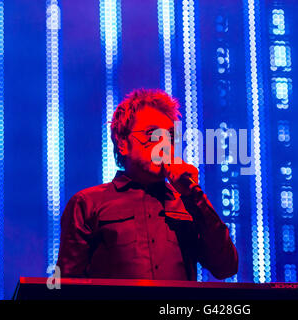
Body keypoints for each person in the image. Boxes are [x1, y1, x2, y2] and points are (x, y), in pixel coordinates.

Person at [56, 88, 238, 281]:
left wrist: (194, 194)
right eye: (152, 134)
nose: (164, 144)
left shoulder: (188, 203)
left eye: (170, 136)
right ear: (123, 143)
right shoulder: (87, 203)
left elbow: (226, 267)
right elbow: (68, 286)